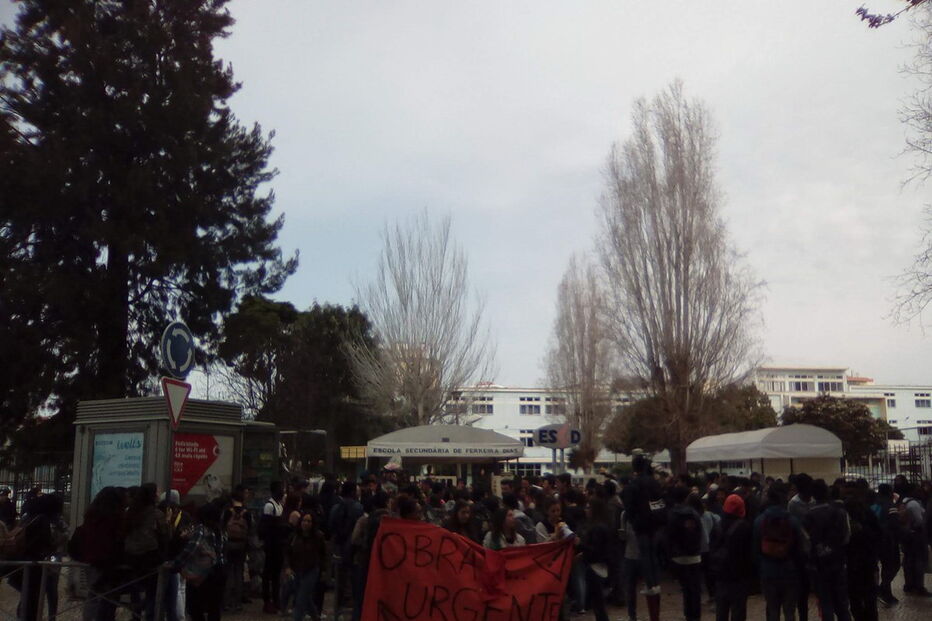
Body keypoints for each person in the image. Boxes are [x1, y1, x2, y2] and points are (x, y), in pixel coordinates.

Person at [753, 482, 807, 621]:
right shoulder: (792, 521)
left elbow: (756, 548)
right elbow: (801, 547)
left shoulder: (759, 521)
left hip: (768, 570)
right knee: (789, 611)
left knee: (772, 609)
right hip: (789, 570)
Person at [621, 454, 665, 621]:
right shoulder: (653, 483)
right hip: (655, 524)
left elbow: (629, 506)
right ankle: (655, 583)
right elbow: (660, 501)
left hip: (641, 526)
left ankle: (650, 583)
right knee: (652, 555)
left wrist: (635, 519)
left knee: (646, 555)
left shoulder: (634, 485)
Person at [73, 487, 126, 621]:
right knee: (106, 598)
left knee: (93, 596)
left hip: (90, 561)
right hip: (107, 564)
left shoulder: (91, 516)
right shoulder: (114, 518)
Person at [804, 480, 851, 621]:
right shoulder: (840, 512)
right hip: (838, 561)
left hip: (819, 565)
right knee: (842, 604)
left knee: (825, 603)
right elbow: (846, 537)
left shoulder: (808, 516)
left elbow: (806, 542)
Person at [173, 502, 226, 621]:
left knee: (195, 607)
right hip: (219, 571)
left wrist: (177, 563)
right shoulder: (220, 531)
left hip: (203, 573)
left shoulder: (202, 529)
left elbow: (191, 549)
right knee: (214, 608)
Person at [123, 483, 167, 621]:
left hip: (131, 557)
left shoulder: (130, 513)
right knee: (152, 592)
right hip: (150, 557)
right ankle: (148, 616)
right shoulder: (156, 514)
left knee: (135, 589)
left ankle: (136, 615)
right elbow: (165, 534)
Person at [667, 488, 707, 621]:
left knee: (685, 588)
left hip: (679, 557)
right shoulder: (694, 514)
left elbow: (669, 536)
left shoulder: (672, 514)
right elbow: (700, 534)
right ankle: (696, 616)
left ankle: (688, 614)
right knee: (695, 588)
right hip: (695, 555)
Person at [711, 494, 753, 621]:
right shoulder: (745, 527)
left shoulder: (718, 525)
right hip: (739, 576)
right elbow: (749, 553)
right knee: (738, 612)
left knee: (721, 611)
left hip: (720, 574)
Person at [844, 484, 881, 621]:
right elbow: (878, 534)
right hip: (868, 562)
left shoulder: (846, 522)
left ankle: (860, 617)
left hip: (852, 565)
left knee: (855, 597)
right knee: (870, 596)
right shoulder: (868, 515)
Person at [283, 512, 326, 621]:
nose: (306, 523)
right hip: (297, 570)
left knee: (301, 598)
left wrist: (324, 570)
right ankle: (315, 617)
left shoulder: (318, 537)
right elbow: (287, 552)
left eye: (308, 521)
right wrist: (287, 567)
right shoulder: (294, 536)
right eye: (304, 520)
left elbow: (323, 554)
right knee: (305, 597)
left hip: (311, 570)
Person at [329, 481, 364, 608]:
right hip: (353, 548)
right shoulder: (358, 507)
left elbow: (331, 526)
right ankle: (354, 604)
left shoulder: (335, 508)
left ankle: (338, 605)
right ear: (353, 492)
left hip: (338, 547)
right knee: (355, 579)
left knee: (340, 578)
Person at [578, 497, 613, 621]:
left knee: (598, 604)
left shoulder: (597, 528)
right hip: (599, 567)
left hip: (595, 568)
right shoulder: (602, 525)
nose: (586, 510)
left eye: (588, 508)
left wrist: (580, 545)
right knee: (598, 604)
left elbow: (596, 550)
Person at [221, 489, 253, 613]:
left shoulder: (227, 512)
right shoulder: (247, 513)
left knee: (229, 573)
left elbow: (222, 527)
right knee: (239, 573)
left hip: (229, 544)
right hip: (241, 545)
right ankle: (238, 603)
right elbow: (250, 529)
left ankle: (227, 602)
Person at [895, 481, 929, 596]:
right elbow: (919, 521)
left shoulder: (904, 501)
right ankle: (919, 586)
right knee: (918, 560)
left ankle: (909, 584)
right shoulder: (914, 504)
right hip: (916, 535)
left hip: (907, 534)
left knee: (908, 560)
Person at [870, 484, 901, 605]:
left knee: (878, 566)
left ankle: (879, 589)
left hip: (874, 540)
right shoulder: (890, 505)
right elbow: (894, 524)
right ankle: (885, 589)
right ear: (889, 492)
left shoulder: (873, 504)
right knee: (892, 566)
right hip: (888, 541)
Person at [259, 481, 285, 615]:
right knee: (268, 574)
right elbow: (266, 527)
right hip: (271, 545)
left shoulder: (279, 505)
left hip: (278, 545)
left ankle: (276, 600)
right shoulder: (269, 506)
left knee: (276, 575)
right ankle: (267, 601)